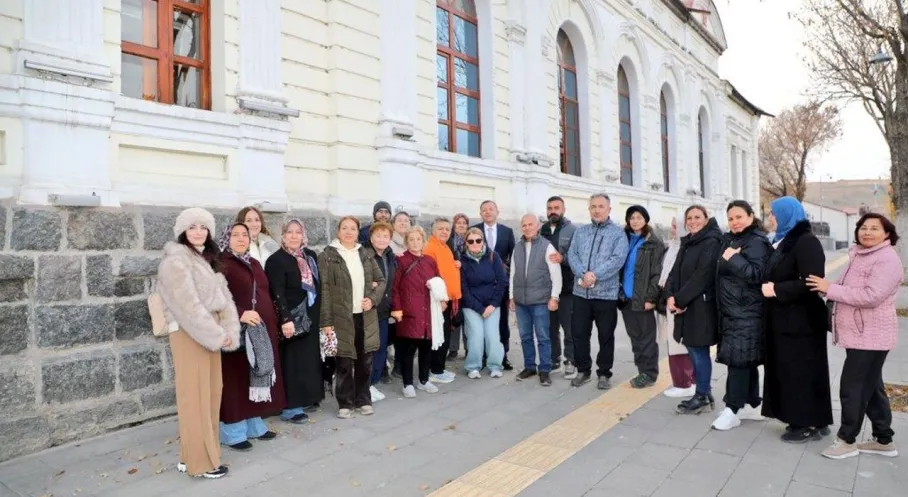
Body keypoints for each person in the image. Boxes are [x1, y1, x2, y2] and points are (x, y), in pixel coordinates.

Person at [809, 213, 902, 459]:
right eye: (863, 227)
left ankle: (847, 440)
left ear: (887, 234)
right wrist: (826, 289)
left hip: (872, 335)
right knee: (870, 387)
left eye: (874, 228)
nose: (867, 232)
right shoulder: (859, 255)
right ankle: (884, 440)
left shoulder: (887, 259)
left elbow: (871, 296)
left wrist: (831, 289)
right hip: (860, 333)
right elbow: (840, 287)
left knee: (853, 387)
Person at [157, 208, 239, 479]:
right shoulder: (176, 261)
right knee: (196, 397)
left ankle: (191, 456)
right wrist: (216, 333)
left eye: (203, 226)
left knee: (211, 393)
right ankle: (201, 463)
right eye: (192, 226)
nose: (198, 231)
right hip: (190, 332)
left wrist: (227, 329)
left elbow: (223, 297)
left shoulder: (204, 258)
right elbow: (186, 306)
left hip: (209, 330)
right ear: (182, 231)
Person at [761, 196, 833, 443]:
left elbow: (812, 281)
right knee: (796, 371)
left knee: (800, 372)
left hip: (802, 322)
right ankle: (816, 419)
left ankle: (804, 423)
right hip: (786, 320)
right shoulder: (784, 242)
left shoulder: (806, 242)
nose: (770, 218)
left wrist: (777, 290)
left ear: (786, 215)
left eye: (773, 214)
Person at [218, 223, 284, 450]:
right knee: (234, 380)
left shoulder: (253, 262)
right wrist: (239, 314)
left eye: (244, 235)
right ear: (227, 238)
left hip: (259, 331)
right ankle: (232, 431)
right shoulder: (220, 264)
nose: (240, 238)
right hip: (236, 330)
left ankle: (253, 423)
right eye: (235, 235)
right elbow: (215, 299)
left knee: (253, 375)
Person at [711, 201, 771, 431]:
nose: (735, 222)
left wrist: (733, 258)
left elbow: (757, 274)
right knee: (745, 360)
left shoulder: (756, 242)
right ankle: (752, 403)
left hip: (746, 312)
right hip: (733, 311)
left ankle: (732, 409)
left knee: (738, 361)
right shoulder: (734, 240)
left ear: (751, 216)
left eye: (739, 217)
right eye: (731, 218)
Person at [318, 216, 386, 418]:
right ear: (338, 231)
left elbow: (380, 280)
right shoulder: (327, 256)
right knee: (344, 363)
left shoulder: (364, 253)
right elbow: (325, 291)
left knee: (365, 362)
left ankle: (363, 399)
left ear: (358, 232)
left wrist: (372, 299)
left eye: (353, 229)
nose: (349, 232)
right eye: (345, 228)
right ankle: (345, 402)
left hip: (364, 316)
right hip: (341, 317)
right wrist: (326, 321)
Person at [265, 219, 325, 423]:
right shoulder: (276, 260)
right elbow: (277, 292)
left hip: (310, 316)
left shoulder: (310, 256)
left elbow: (318, 286)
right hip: (291, 319)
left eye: (297, 232)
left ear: (303, 235)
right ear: (282, 235)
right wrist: (286, 318)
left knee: (308, 360)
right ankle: (290, 407)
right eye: (289, 232)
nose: (293, 236)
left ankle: (307, 397)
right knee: (292, 363)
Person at [567, 193, 629, 389]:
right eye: (593, 206)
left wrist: (594, 275)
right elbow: (572, 254)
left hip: (605, 295)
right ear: (589, 209)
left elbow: (618, 259)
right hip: (581, 294)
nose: (596, 210)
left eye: (601, 206)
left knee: (606, 335)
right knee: (579, 333)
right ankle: (583, 370)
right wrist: (582, 273)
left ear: (609, 209)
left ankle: (604, 373)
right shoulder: (581, 232)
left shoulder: (618, 234)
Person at [666, 205, 723, 415]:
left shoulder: (712, 241)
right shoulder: (688, 241)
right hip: (685, 306)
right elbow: (674, 272)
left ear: (706, 218)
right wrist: (670, 296)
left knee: (699, 351)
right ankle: (704, 393)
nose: (692, 221)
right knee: (693, 348)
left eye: (697, 217)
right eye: (689, 218)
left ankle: (701, 395)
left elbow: (703, 276)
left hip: (701, 307)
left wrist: (679, 300)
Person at [509, 214, 562, 386]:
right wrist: (511, 296)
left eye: (530, 224)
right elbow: (513, 273)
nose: (527, 227)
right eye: (524, 225)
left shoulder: (547, 246)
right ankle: (530, 366)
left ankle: (545, 369)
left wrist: (554, 297)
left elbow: (556, 274)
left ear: (538, 226)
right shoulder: (517, 247)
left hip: (540, 301)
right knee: (525, 336)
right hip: (521, 302)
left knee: (543, 337)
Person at [391, 227, 444, 397]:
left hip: (428, 311)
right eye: (411, 239)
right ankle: (407, 383)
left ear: (423, 241)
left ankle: (423, 379)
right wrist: (397, 308)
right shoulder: (400, 260)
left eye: (418, 239)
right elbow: (395, 287)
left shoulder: (430, 261)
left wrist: (442, 298)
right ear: (406, 242)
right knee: (408, 350)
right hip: (409, 311)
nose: (415, 242)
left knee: (426, 348)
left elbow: (439, 281)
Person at [619, 205, 665, 389]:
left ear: (645, 219)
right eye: (631, 218)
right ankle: (641, 371)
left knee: (646, 338)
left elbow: (657, 273)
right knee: (635, 337)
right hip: (626, 299)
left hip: (643, 299)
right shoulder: (624, 239)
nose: (635, 220)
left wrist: (651, 298)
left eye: (639, 217)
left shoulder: (654, 242)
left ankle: (650, 373)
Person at [656, 215, 696, 398]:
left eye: (674, 226)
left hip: (679, 303)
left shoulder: (685, 250)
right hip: (670, 302)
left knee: (678, 344)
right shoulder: (672, 247)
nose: (672, 230)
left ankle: (684, 383)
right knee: (675, 343)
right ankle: (687, 381)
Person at [460, 227, 508, 378]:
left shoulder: (493, 256)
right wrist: (480, 309)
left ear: (483, 241)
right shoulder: (462, 262)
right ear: (466, 243)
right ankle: (473, 366)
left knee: (492, 336)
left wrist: (493, 304)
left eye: (478, 240)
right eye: (471, 241)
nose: (475, 243)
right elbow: (464, 289)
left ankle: (495, 365)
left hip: (492, 305)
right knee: (476, 336)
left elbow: (502, 281)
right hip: (472, 306)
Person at [474, 200, 516, 370]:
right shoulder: (475, 230)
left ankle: (503, 355)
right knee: (481, 320)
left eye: (491, 209)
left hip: (501, 285)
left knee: (502, 321)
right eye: (484, 210)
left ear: (497, 211)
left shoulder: (507, 231)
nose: (488, 212)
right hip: (480, 285)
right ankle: (483, 355)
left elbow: (513, 259)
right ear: (480, 213)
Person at [541, 196, 577, 377]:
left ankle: (570, 360)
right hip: (547, 289)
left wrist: (564, 259)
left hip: (568, 288)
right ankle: (554, 359)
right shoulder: (543, 230)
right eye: (549, 208)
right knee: (550, 326)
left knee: (569, 327)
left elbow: (579, 255)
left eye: (556, 207)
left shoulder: (572, 230)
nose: (552, 211)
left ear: (563, 209)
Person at [423, 218, 461, 383]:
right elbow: (430, 276)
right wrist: (440, 299)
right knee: (439, 336)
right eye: (440, 229)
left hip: (448, 299)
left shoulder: (445, 247)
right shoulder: (430, 247)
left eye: (447, 229)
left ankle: (440, 368)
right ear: (433, 231)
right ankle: (435, 370)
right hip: (439, 301)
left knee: (444, 334)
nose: (444, 232)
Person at [366, 222, 396, 402]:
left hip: (384, 309)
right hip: (369, 309)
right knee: (370, 349)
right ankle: (366, 385)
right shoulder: (365, 255)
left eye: (385, 236)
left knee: (381, 348)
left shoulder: (389, 255)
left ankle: (373, 383)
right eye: (378, 236)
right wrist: (369, 284)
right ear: (371, 237)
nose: (382, 239)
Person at [447, 213, 470, 360]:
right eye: (458, 222)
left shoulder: (473, 239)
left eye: (464, 223)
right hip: (453, 283)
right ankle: (453, 349)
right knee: (454, 317)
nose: (461, 225)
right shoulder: (448, 241)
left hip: (469, 284)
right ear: (454, 225)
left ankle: (469, 349)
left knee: (468, 318)